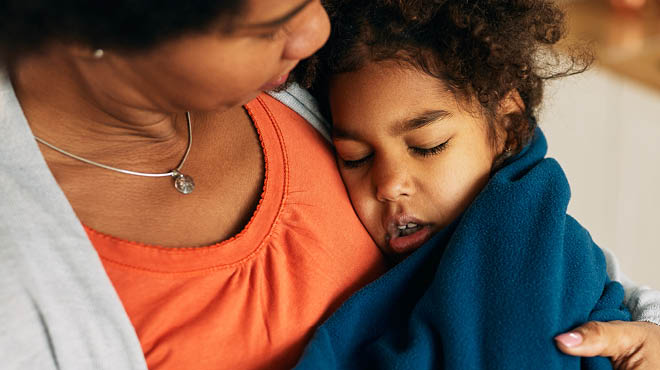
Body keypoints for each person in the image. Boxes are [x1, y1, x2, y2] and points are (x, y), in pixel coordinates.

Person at [0, 0, 658, 369]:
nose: (314, 29)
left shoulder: (315, 85)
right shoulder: (21, 293)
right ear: (100, 31)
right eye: (269, 24)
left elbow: (575, 284)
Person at [288, 0, 660, 368]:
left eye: (427, 147)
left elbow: (616, 286)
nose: (387, 184)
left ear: (505, 125)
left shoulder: (530, 221)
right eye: (356, 157)